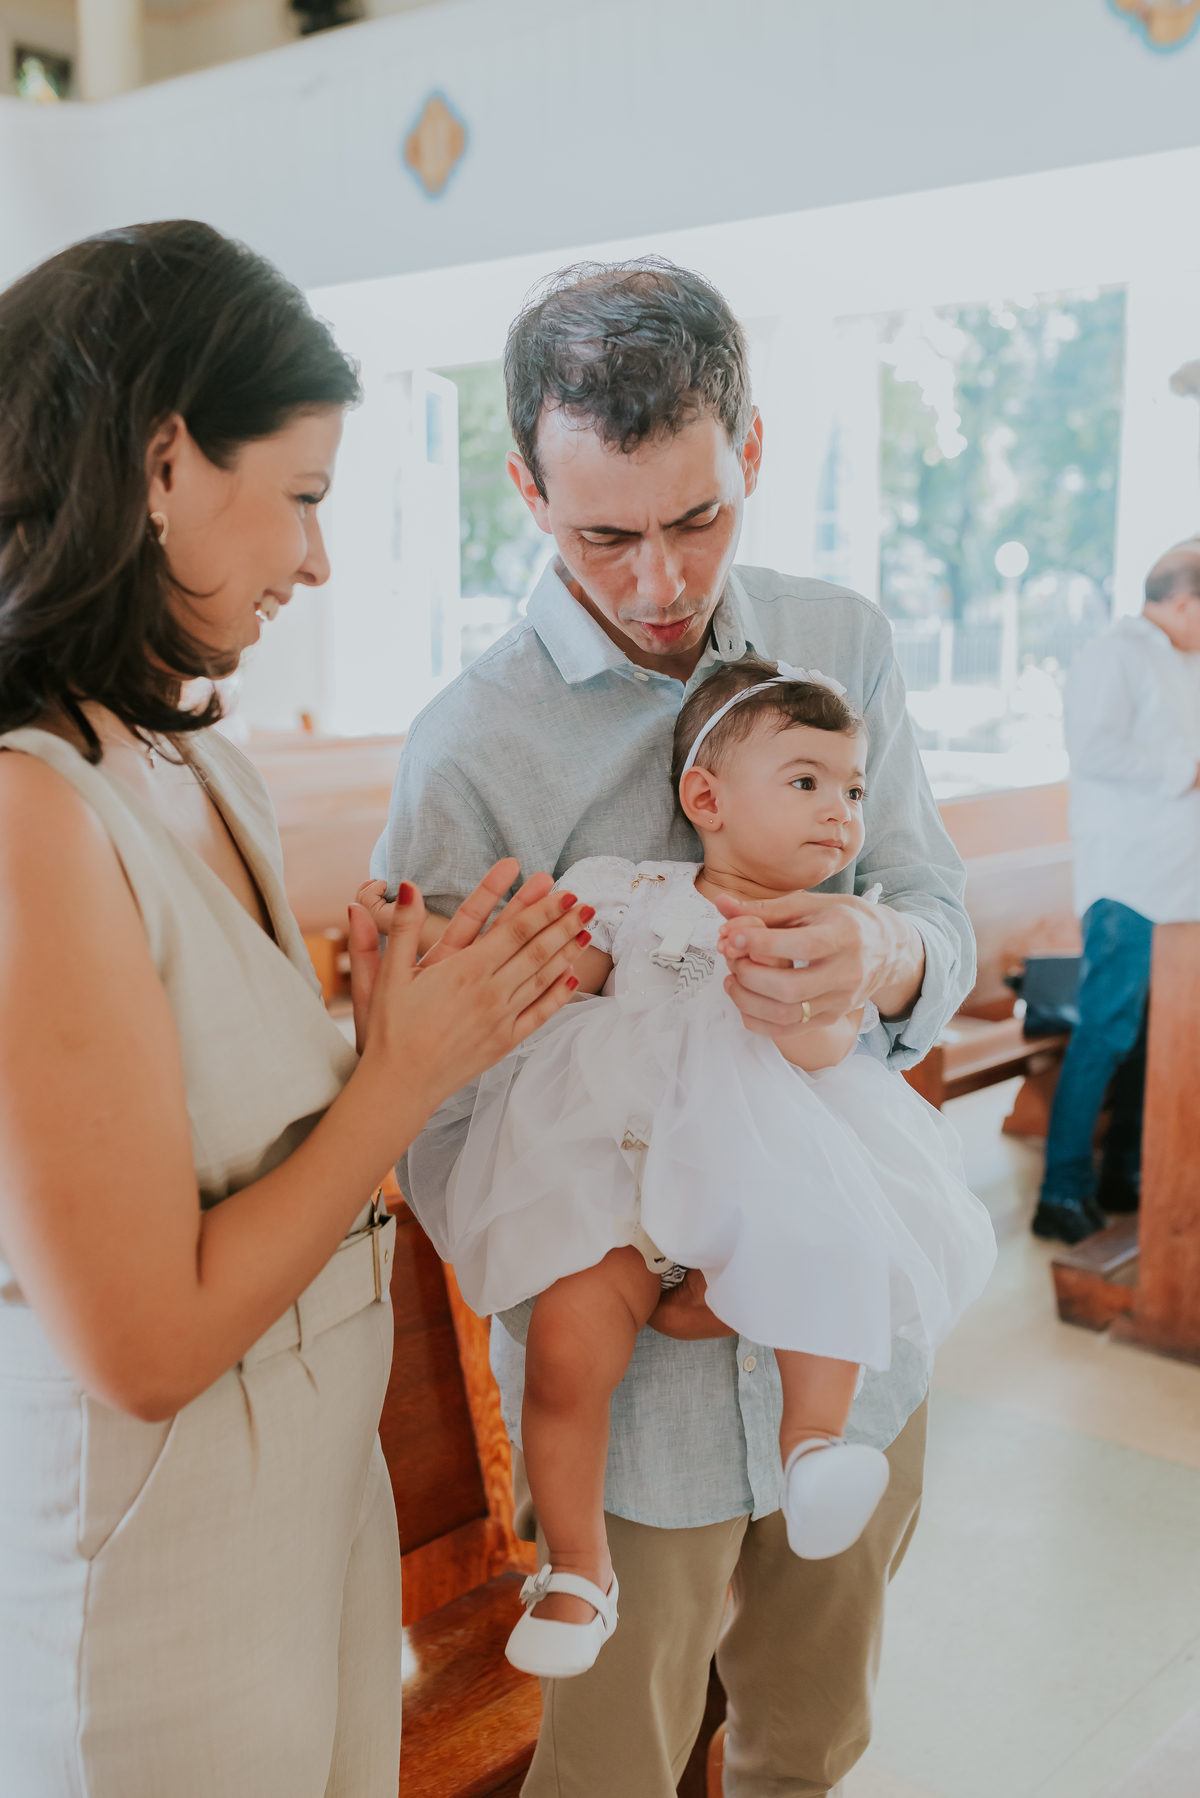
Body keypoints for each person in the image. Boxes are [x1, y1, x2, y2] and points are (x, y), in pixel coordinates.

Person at [368, 258, 976, 1797]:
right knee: (615, 1762)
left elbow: (934, 915)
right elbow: (432, 1112)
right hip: (629, 1397)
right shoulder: (469, 751)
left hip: (846, 1349)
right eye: (605, 534)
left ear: (751, 452)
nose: (658, 581)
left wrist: (878, 954)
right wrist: (624, 1264)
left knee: (810, 1732)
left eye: (697, 518)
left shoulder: (845, 641)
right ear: (526, 488)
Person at [0, 221, 591, 1798]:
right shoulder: (29, 814)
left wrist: (381, 1031)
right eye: (308, 497)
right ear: (166, 458)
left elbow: (247, 1141)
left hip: (314, 1515)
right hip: (157, 1574)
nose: (318, 560)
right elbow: (146, 1338)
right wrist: (399, 1078)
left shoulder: (204, 764)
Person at [414, 659, 996, 1680]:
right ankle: (580, 1571)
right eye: (807, 781)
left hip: (755, 1180)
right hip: (615, 1173)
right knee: (566, 1346)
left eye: (854, 788)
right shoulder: (626, 890)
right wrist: (483, 952)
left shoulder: (822, 933)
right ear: (706, 798)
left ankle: (813, 1446)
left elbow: (824, 1058)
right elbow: (561, 978)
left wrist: (822, 995)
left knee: (829, 1254)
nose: (842, 813)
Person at [1032, 539, 1200, 1244]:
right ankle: (1060, 1191)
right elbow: (1093, 748)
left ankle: (1123, 1171)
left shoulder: (1185, 661)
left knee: (1160, 1039)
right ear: (1185, 600)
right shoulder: (1115, 652)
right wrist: (1185, 771)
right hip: (1127, 883)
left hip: (1181, 886)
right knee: (1107, 1034)